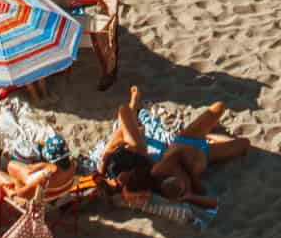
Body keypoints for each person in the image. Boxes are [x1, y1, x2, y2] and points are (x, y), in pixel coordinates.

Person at [99, 85, 249, 209]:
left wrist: (193, 179)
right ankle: (208, 136)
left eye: (140, 196)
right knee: (244, 144)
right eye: (142, 198)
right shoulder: (170, 194)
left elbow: (178, 155)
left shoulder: (157, 172)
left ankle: (207, 135)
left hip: (186, 141)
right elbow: (212, 203)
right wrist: (190, 195)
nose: (141, 200)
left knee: (220, 107)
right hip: (203, 156)